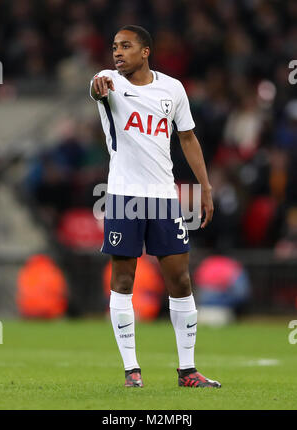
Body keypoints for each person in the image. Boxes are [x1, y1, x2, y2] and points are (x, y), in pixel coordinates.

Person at [90, 25, 221, 388]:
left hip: (165, 198)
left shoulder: (172, 89)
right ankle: (132, 370)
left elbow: (188, 137)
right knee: (123, 280)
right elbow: (95, 86)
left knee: (180, 280)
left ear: (145, 51)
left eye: (126, 46)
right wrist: (98, 87)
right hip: (123, 196)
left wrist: (205, 187)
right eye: (114, 46)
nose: (118, 52)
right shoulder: (107, 81)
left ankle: (188, 371)